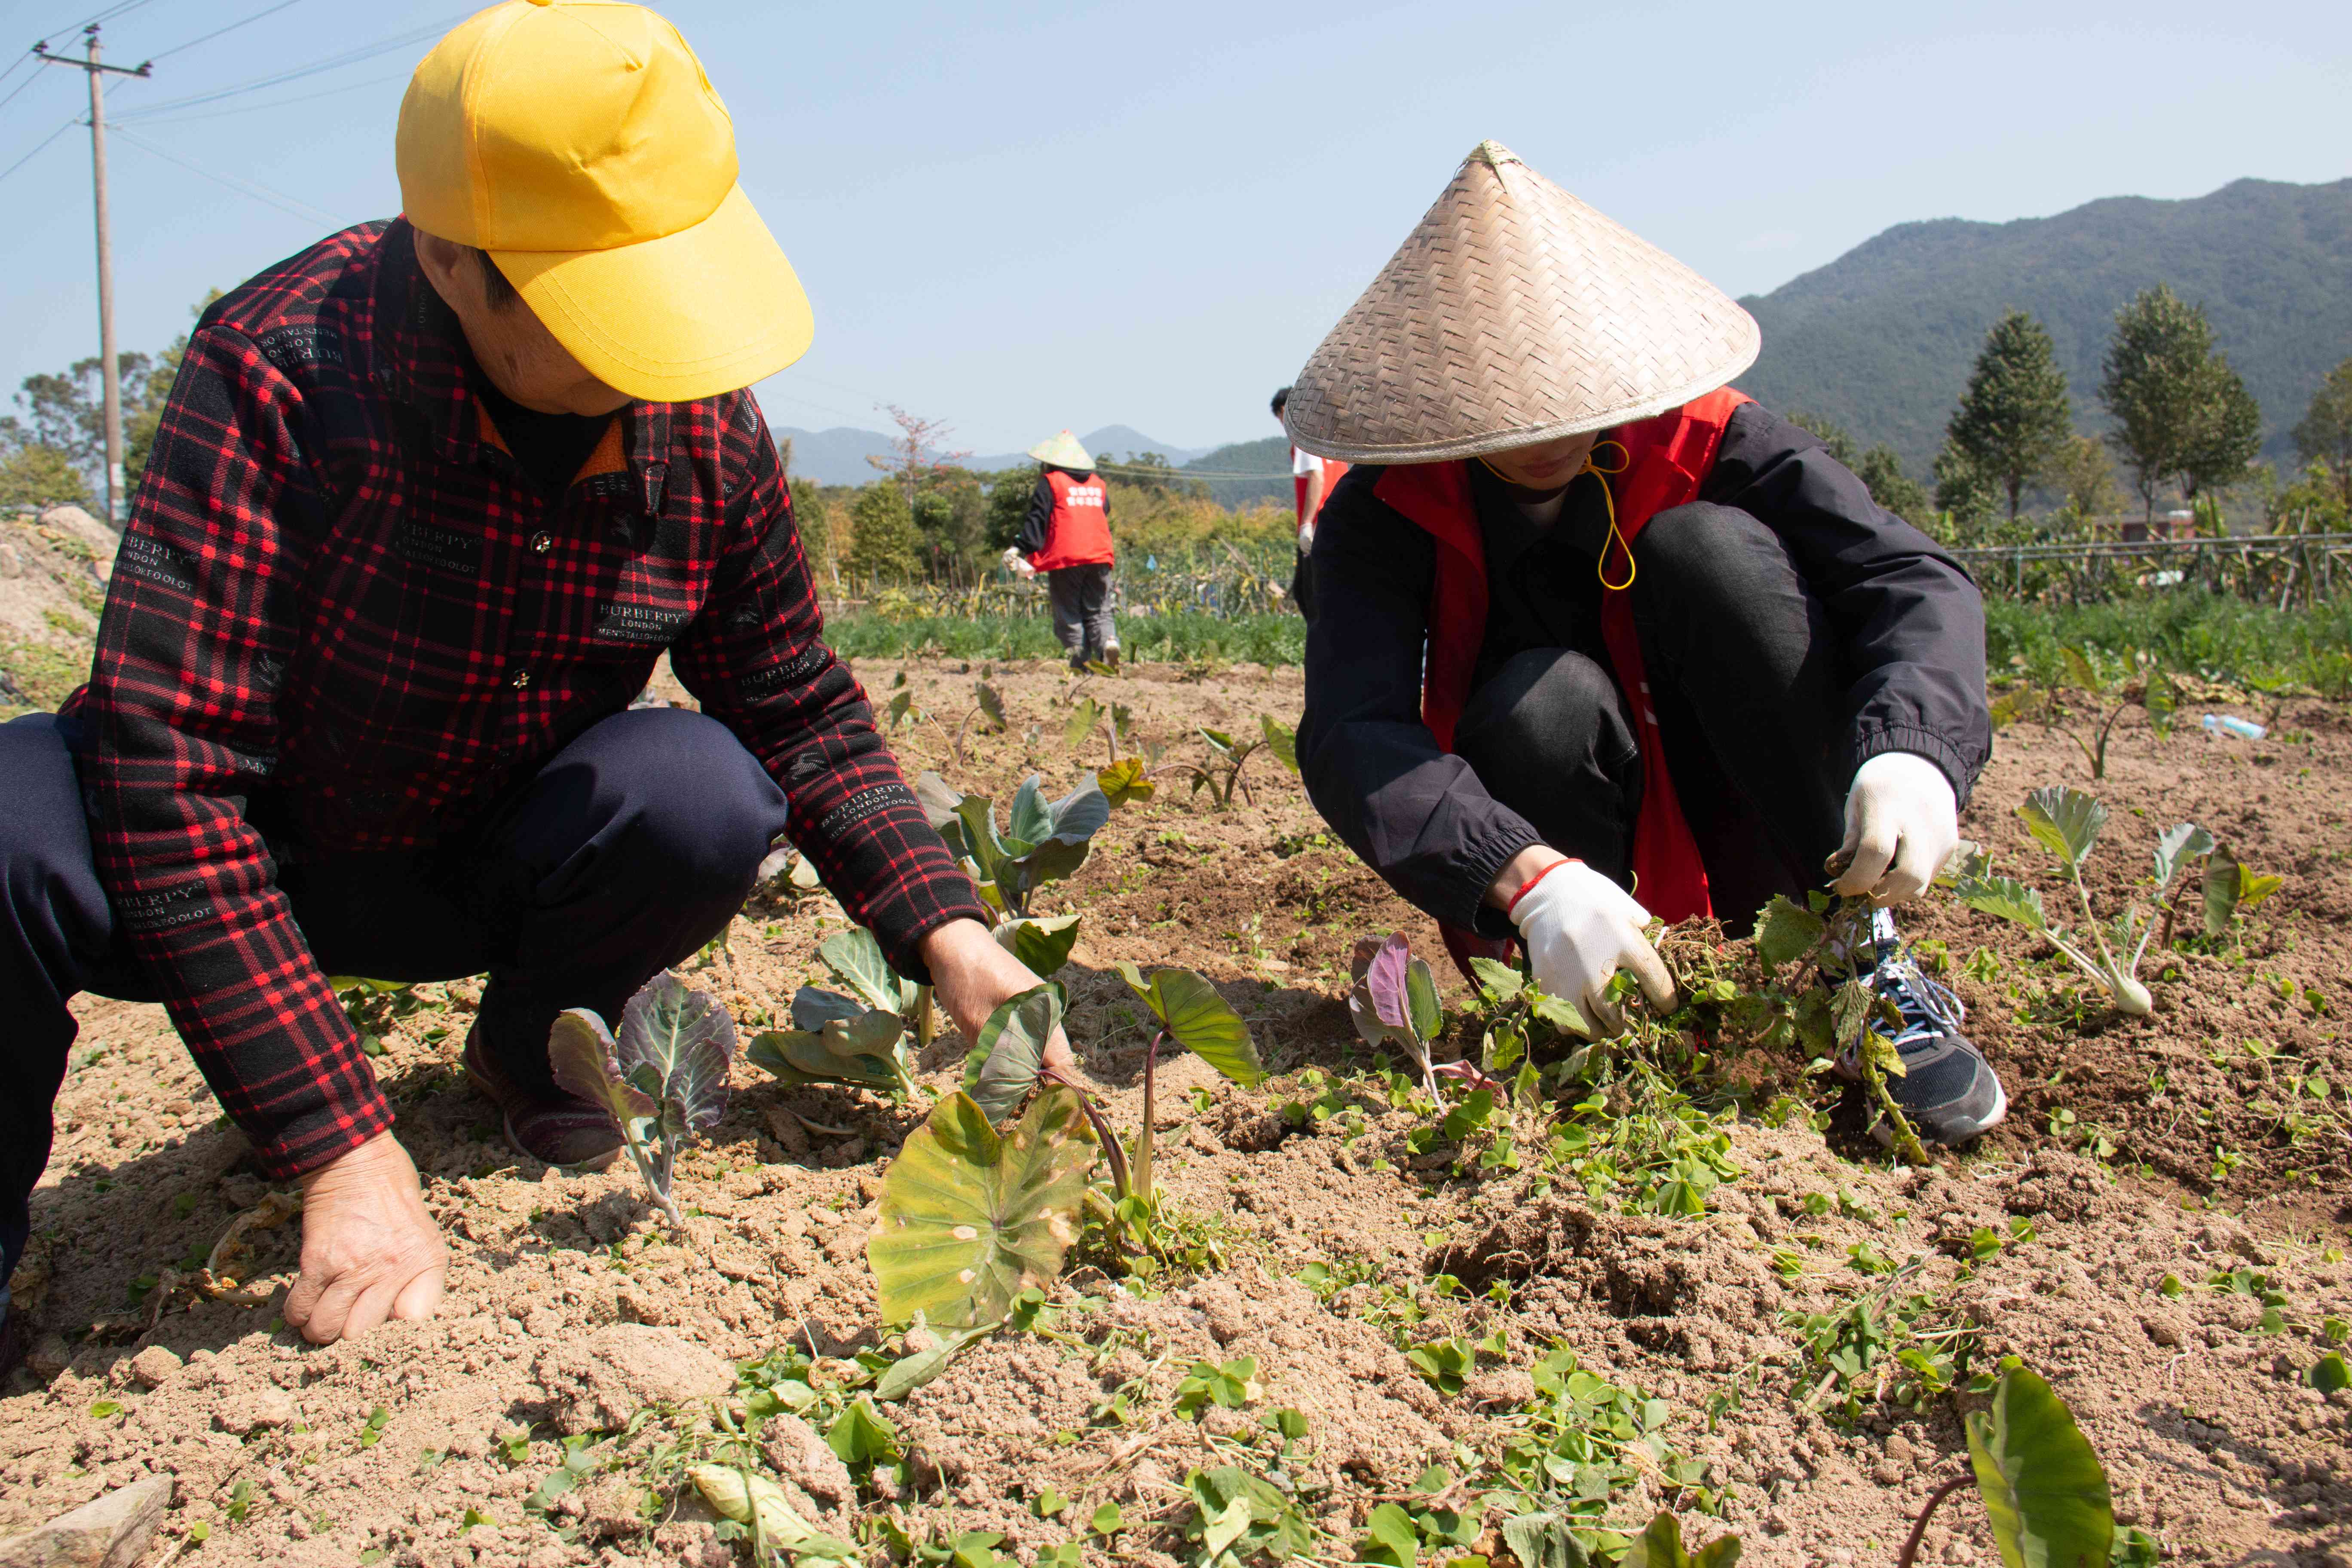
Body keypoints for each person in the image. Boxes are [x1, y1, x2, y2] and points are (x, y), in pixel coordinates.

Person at [0, 0, 1073, 1370]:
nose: (644, 362)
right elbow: (169, 766)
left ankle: (527, 1047)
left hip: (485, 861)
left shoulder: (699, 419)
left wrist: (951, 933)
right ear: (450, 258)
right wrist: (336, 1140)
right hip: (257, 858)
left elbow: (794, 700)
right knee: (11, 826)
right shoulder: (283, 366)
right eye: (597, 314)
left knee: (700, 793)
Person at [1289, 142, 2006, 1145]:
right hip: (1546, 861)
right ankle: (1591, 1014)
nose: (1546, 434)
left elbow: (1907, 578)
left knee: (1709, 550)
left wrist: (1912, 752)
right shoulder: (1385, 511)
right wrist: (1522, 878)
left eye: (1568, 398)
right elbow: (1351, 731)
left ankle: (1850, 958)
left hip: (1743, 810)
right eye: (1508, 413)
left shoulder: (1709, 435)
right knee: (1544, 700)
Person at [1006, 430, 1118, 670]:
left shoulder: (1052, 482)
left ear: (1051, 462)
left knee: (1069, 612)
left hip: (1067, 557)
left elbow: (1038, 518)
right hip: (1100, 555)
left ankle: (1080, 662)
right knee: (1100, 611)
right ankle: (1109, 644)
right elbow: (1102, 512)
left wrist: (1019, 547)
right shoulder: (1098, 484)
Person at [1271, 386, 1348, 619]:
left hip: (1318, 526)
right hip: (1339, 521)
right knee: (1326, 594)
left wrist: (1306, 525)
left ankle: (1323, 643)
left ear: (1284, 410)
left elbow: (1316, 477)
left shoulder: (1304, 436)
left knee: (1310, 596)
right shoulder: (1329, 437)